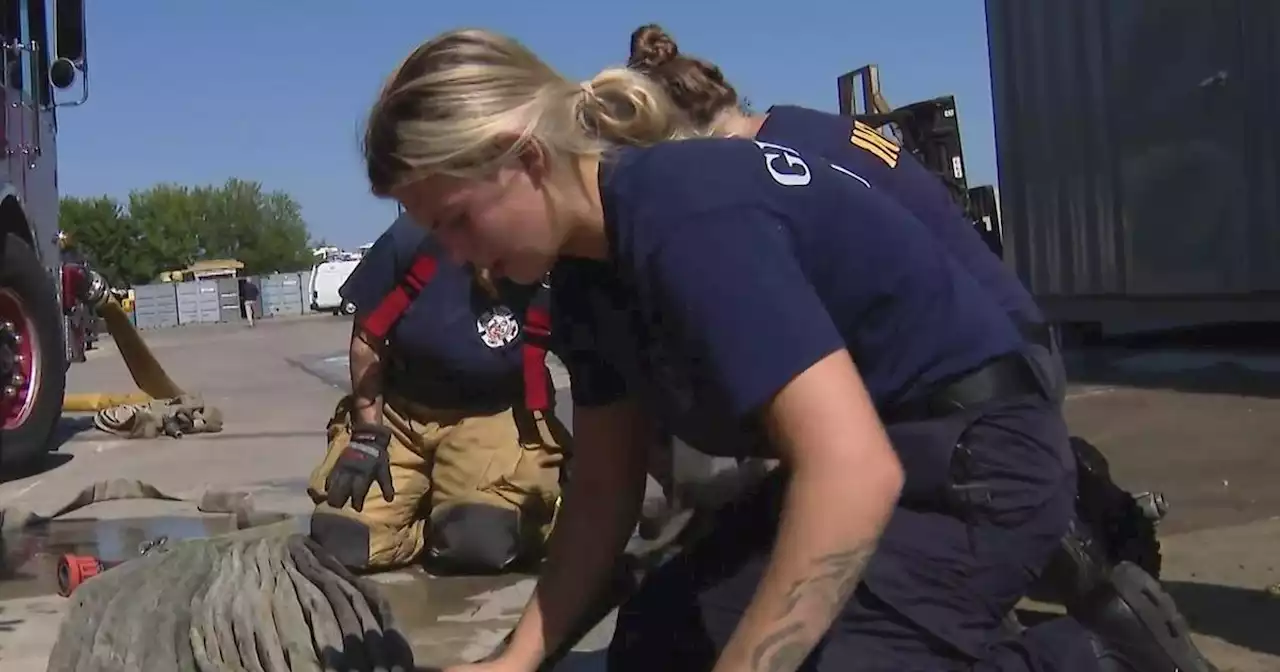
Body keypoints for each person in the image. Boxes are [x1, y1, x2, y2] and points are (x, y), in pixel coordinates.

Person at [360, 29, 1214, 672]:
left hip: (977, 465)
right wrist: (516, 661)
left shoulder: (680, 214)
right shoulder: (586, 274)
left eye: (457, 221)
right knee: (657, 649)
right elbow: (603, 491)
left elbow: (854, 472)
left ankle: (1091, 656)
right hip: (880, 459)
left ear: (525, 158)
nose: (458, 257)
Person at [622, 21, 1172, 603]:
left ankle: (1068, 518)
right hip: (1010, 343)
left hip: (987, 379)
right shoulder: (810, 131)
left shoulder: (774, 164)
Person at [306, 212, 568, 575]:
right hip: (400, 414)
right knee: (340, 540)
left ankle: (472, 511)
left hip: (490, 415)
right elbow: (367, 341)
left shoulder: (541, 254)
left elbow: (597, 364)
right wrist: (367, 434)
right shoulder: (414, 237)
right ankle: (430, 514)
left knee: (480, 541)